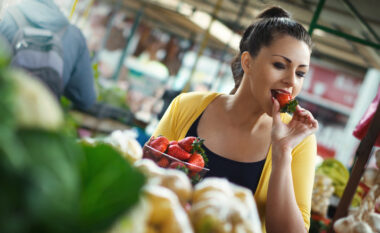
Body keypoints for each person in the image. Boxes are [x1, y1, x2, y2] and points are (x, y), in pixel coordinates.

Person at [152, 6, 318, 233]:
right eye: (280, 65)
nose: (291, 81)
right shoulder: (186, 106)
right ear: (248, 62)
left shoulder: (299, 140)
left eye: (300, 73)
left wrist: (282, 151)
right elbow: (145, 177)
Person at [0, 0, 96, 110]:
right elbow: (85, 99)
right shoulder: (74, 35)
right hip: (42, 120)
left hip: (5, 112)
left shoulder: (7, 19)